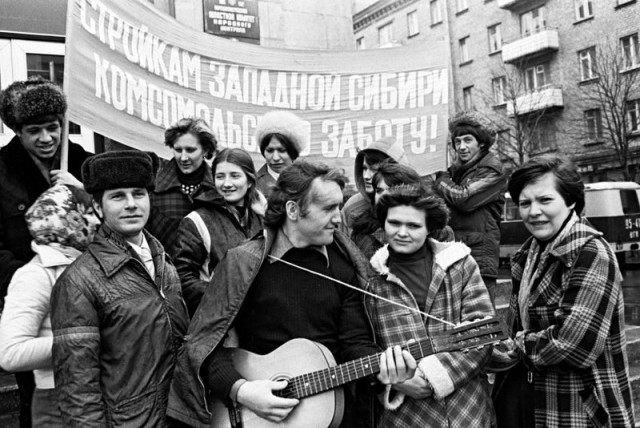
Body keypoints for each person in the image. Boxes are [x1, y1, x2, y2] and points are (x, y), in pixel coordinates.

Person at [167, 160, 416, 428]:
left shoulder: (345, 264)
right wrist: (241, 390)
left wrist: (384, 368)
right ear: (293, 209)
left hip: (334, 414)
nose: (338, 218)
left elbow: (354, 342)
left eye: (340, 207)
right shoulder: (243, 264)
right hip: (258, 416)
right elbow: (203, 348)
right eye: (329, 208)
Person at [491, 154, 634, 427]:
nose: (533, 211)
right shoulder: (528, 254)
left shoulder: (591, 252)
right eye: (525, 203)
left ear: (570, 201)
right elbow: (517, 327)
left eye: (545, 200)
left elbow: (574, 346)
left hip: (580, 411)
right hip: (534, 402)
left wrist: (517, 345)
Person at [50, 151, 189, 426]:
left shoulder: (165, 264)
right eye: (117, 196)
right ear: (98, 207)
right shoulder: (78, 282)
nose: (131, 204)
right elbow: (78, 392)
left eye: (139, 194)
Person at [0, 76, 92, 428]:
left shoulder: (82, 161)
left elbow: (109, 223)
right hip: (31, 304)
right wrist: (32, 281)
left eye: (53, 128)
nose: (46, 138)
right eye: (34, 130)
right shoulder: (2, 170)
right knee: (36, 400)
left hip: (86, 299)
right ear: (18, 132)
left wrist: (84, 191)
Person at [365, 184, 495, 427]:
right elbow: (366, 345)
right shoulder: (370, 278)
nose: (402, 232)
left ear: (429, 229)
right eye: (394, 223)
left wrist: (433, 377)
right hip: (407, 414)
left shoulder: (460, 265)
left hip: (467, 409)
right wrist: (393, 380)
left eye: (413, 226)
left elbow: (484, 332)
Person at [0, 183, 98, 426]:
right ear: (66, 219)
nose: (96, 222)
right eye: (87, 213)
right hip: (58, 402)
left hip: (92, 395)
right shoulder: (36, 275)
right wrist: (84, 340)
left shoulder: (83, 263)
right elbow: (10, 353)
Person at [173, 148, 264, 316]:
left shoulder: (260, 218)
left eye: (235, 176)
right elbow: (183, 279)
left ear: (249, 181)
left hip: (259, 318)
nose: (227, 184)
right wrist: (228, 297)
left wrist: (266, 216)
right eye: (220, 176)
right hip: (217, 323)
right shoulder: (196, 221)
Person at [433, 111, 506, 304]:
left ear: (480, 142)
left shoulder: (492, 169)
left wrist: (440, 178)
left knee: (482, 320)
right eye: (457, 142)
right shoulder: (457, 171)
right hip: (457, 252)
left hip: (479, 257)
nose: (462, 147)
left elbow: (464, 198)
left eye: (467, 140)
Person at [147, 117, 218, 255]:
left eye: (190, 150)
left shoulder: (218, 189)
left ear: (205, 150)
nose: (183, 158)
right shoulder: (154, 187)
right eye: (178, 150)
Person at [351, 160, 422, 259]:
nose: (382, 196)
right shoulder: (363, 233)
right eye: (379, 191)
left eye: (391, 190)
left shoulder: (437, 232)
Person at [341, 136, 410, 236]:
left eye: (374, 169)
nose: (366, 176)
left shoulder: (419, 207)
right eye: (364, 168)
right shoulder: (352, 207)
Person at [254, 110, 309, 199]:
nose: (275, 158)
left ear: (293, 151)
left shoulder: (308, 180)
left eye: (282, 150)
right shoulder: (253, 184)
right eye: (270, 150)